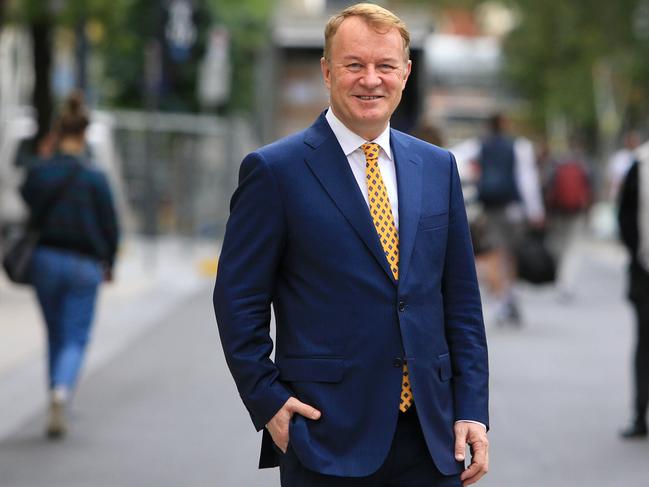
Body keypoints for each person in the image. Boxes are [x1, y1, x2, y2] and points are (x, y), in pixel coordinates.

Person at [213, 4, 489, 486]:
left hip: (433, 437)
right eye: (354, 65)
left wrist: (472, 410)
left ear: (406, 72)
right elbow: (238, 300)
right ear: (326, 71)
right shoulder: (275, 172)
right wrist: (267, 399)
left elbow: (460, 301)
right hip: (325, 436)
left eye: (385, 66)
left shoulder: (438, 166)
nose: (371, 79)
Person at [20, 92, 120, 438]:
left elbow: (27, 196)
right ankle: (62, 392)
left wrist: (45, 153)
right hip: (84, 264)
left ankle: (55, 394)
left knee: (55, 333)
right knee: (75, 335)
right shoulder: (94, 178)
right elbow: (110, 225)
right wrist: (110, 262)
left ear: (57, 131)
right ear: (85, 132)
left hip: (45, 259)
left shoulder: (42, 172)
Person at [457, 114, 545, 325]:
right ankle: (510, 295)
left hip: (489, 206)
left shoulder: (478, 145)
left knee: (494, 254)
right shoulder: (519, 146)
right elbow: (527, 180)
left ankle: (501, 303)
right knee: (511, 254)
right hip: (512, 207)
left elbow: (455, 159)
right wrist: (535, 211)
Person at [618, 139, 649, 439]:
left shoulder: (639, 162)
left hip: (644, 270)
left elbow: (624, 217)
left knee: (644, 344)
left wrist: (635, 254)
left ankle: (640, 414)